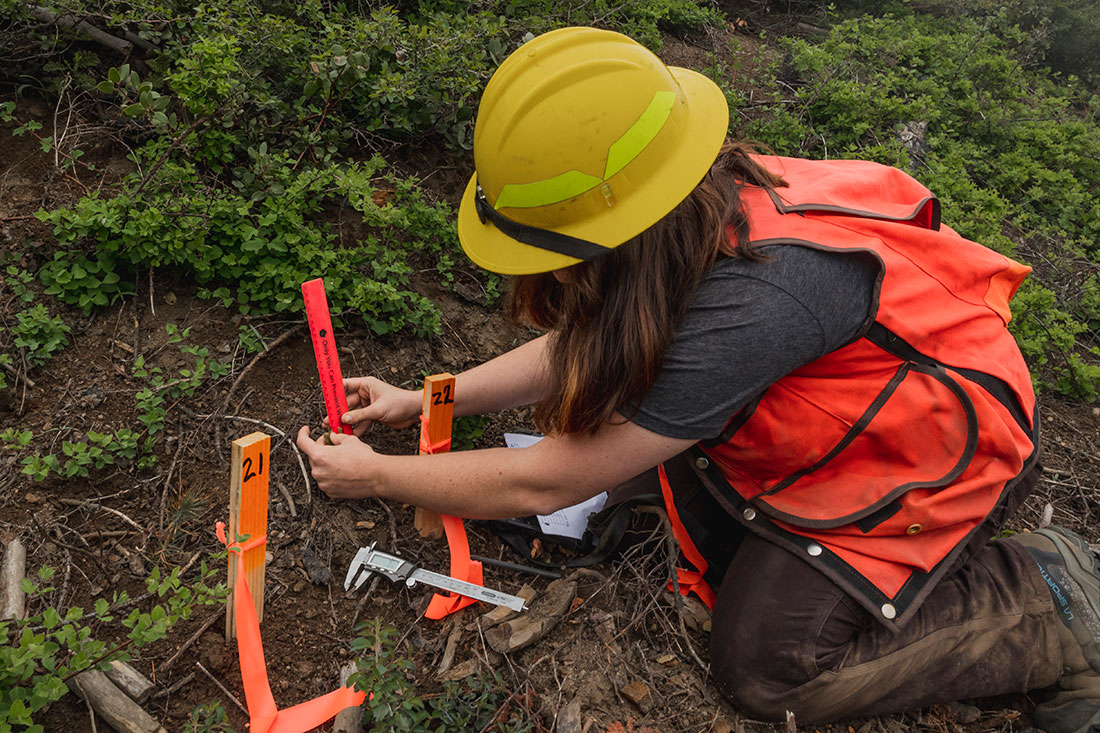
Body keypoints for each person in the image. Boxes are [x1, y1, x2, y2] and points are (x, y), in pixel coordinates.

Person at [296, 26, 1100, 732]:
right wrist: (432, 397)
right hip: (845, 415)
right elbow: (593, 342)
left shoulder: (751, 303)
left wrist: (379, 478)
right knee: (659, 491)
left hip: (934, 454)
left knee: (767, 664)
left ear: (613, 229)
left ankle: (1053, 598)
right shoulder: (688, 208)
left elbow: (547, 479)